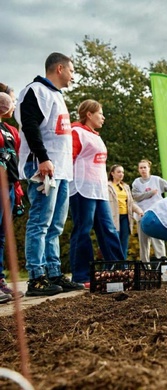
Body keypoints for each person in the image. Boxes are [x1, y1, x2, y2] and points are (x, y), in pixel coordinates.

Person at [14, 52, 83, 296]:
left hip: (61, 170)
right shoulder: (36, 91)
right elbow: (30, 125)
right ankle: (36, 276)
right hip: (43, 167)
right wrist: (43, 158)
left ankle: (54, 271)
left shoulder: (58, 96)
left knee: (56, 225)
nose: (74, 76)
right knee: (40, 222)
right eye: (72, 71)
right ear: (60, 68)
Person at [69, 100, 125, 284]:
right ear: (89, 114)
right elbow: (68, 159)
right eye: (100, 113)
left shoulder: (96, 136)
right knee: (83, 230)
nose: (103, 117)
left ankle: (118, 270)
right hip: (81, 189)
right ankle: (81, 275)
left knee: (108, 229)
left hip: (99, 190)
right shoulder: (76, 131)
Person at [0, 86, 24, 302]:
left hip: (8, 186)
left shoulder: (9, 129)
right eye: (12, 100)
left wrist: (17, 190)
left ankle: (0, 280)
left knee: (1, 235)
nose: (13, 104)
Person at [132, 159, 167, 261]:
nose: (143, 170)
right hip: (142, 214)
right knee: (144, 243)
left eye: (145, 167)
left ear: (149, 168)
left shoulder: (156, 180)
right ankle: (145, 266)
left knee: (158, 239)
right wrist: (150, 193)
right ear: (138, 170)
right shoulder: (136, 182)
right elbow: (135, 196)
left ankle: (162, 261)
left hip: (156, 214)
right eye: (141, 168)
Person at [108, 164, 143, 259]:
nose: (121, 174)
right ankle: (112, 266)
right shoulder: (107, 186)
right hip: (113, 217)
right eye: (118, 172)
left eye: (122, 172)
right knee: (114, 242)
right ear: (112, 173)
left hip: (125, 218)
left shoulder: (125, 186)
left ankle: (123, 267)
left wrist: (139, 211)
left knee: (124, 243)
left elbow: (131, 203)